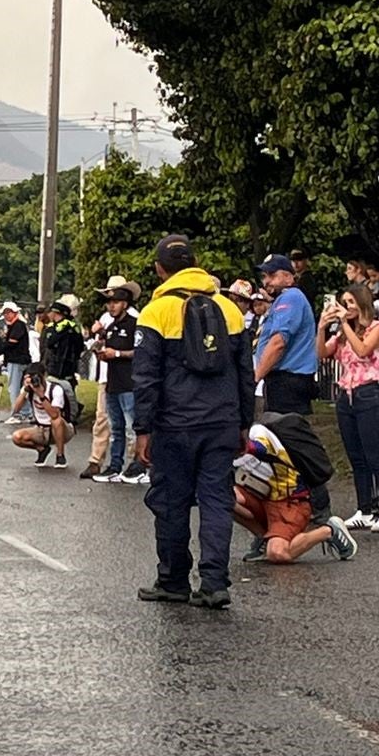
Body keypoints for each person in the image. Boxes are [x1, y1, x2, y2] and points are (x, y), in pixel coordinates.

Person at [134, 234, 253, 610]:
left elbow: (146, 378)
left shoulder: (156, 312)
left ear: (160, 269)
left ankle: (173, 580)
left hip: (174, 425)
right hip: (221, 422)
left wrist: (142, 429)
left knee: (171, 502)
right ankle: (215, 583)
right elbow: (245, 374)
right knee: (217, 500)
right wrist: (244, 423)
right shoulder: (230, 310)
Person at [317, 283, 379, 532]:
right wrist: (322, 327)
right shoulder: (344, 332)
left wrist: (344, 324)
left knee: (375, 455)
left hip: (369, 392)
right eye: (343, 302)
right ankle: (365, 509)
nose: (346, 307)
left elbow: (363, 351)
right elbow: (322, 353)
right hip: (346, 394)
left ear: (362, 303)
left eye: (350, 302)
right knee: (356, 456)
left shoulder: (378, 327)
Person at [233, 419, 357, 564]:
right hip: (267, 500)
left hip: (292, 503)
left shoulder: (259, 433)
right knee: (222, 499)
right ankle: (265, 538)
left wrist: (233, 444)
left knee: (278, 553)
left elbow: (260, 447)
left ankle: (329, 531)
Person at [92, 283, 148, 484]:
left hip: (130, 383)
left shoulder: (135, 324)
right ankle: (115, 465)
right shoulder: (110, 327)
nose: (111, 306)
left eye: (115, 302)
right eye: (109, 303)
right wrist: (101, 352)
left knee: (133, 427)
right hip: (112, 383)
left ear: (125, 303)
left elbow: (140, 352)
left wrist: (116, 354)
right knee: (116, 428)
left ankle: (139, 465)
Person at [253, 253, 319, 416]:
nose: (266, 281)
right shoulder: (284, 299)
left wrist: (256, 377)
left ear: (289, 278)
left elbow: (278, 342)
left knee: (284, 427)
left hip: (287, 380)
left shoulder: (291, 297)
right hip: (284, 380)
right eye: (264, 276)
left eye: (273, 275)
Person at [10, 363, 77, 470]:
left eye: (37, 377)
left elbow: (54, 415)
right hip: (41, 428)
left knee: (56, 421)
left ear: (44, 375)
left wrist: (41, 395)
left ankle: (60, 455)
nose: (35, 381)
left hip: (63, 430)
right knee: (17, 437)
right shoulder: (29, 389)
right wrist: (25, 390)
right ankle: (42, 449)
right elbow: (16, 409)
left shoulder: (55, 389)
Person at [0, 301, 34, 423]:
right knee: (21, 388)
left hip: (17, 361)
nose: (7, 315)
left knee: (14, 388)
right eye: (5, 313)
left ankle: (17, 413)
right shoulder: (14, 326)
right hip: (19, 360)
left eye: (9, 312)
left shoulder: (18, 326)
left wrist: (0, 347)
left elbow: (11, 343)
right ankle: (26, 412)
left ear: (15, 313)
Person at [43, 297, 86, 385]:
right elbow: (48, 344)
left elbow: (79, 346)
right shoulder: (52, 327)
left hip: (65, 370)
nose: (48, 314)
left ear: (55, 312)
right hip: (53, 368)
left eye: (50, 311)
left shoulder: (69, 328)